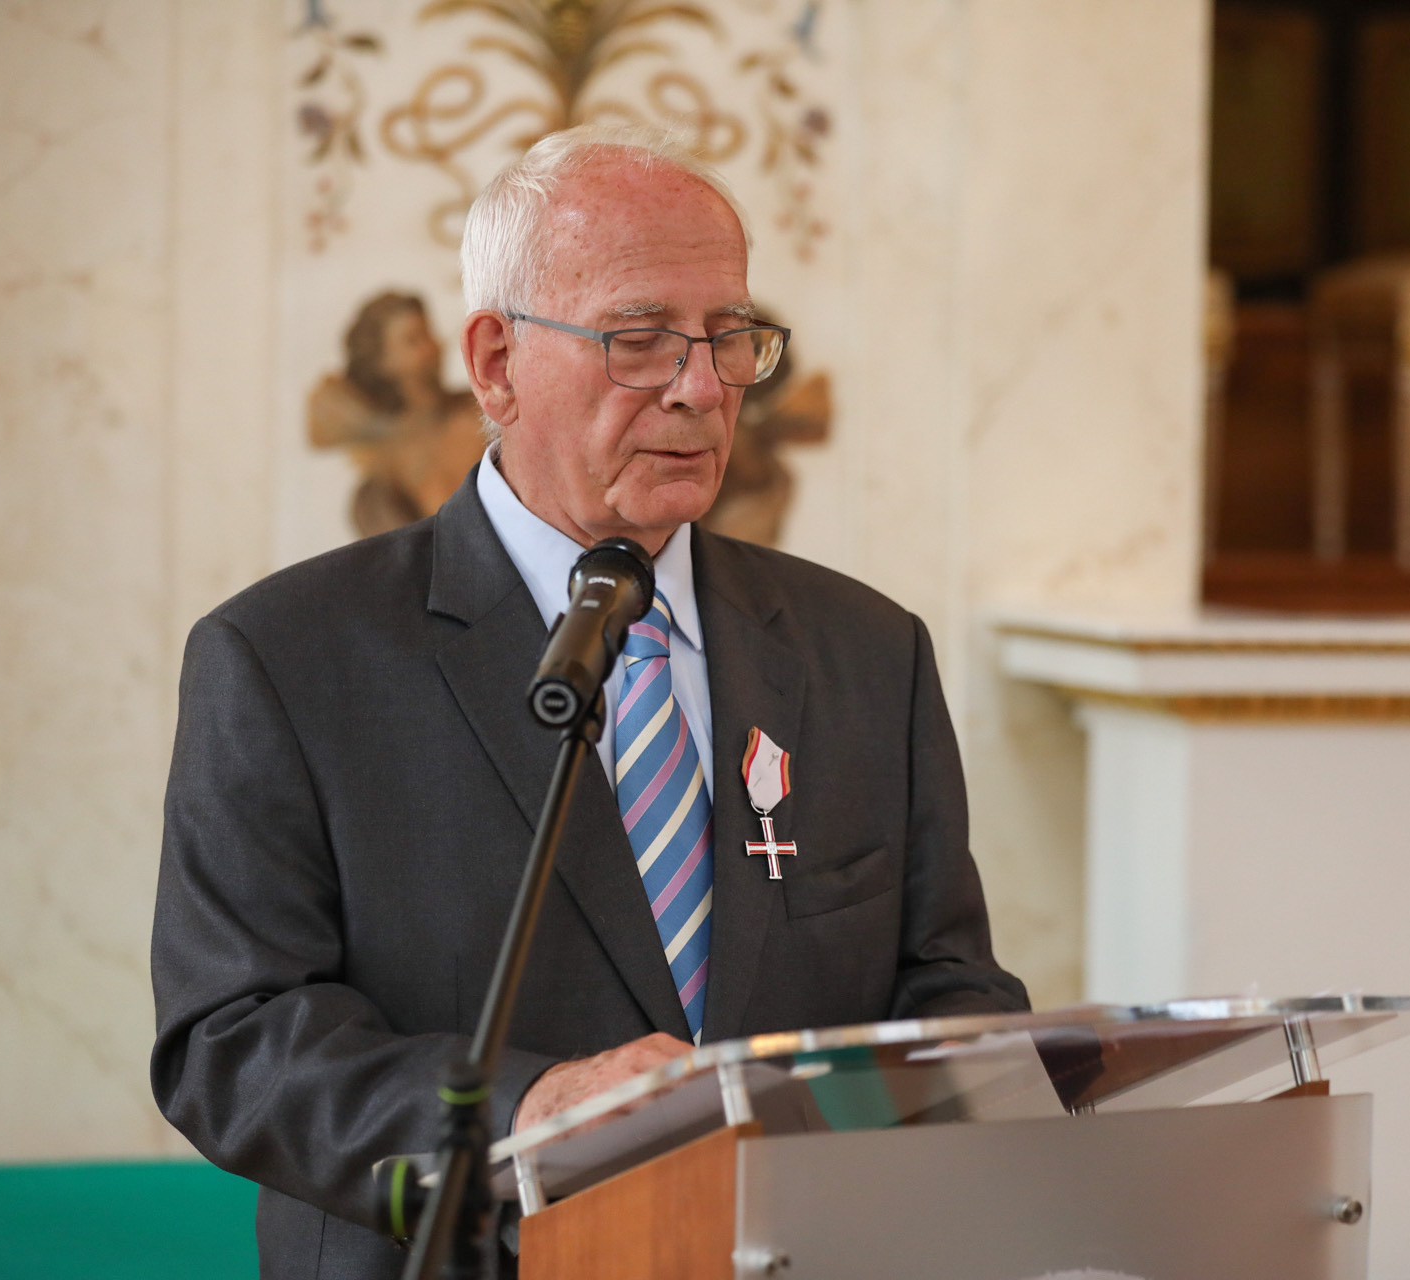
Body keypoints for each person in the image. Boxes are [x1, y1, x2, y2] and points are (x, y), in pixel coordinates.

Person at [150, 123, 1028, 1280]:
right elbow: (233, 1039)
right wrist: (532, 1110)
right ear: (496, 362)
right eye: (640, 339)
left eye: (729, 337)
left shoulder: (869, 652)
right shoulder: (287, 658)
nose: (702, 388)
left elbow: (949, 988)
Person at [306, 291, 485, 537]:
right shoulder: (386, 473)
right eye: (413, 341)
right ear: (384, 363)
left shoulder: (482, 409)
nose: (431, 348)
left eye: (428, 334)